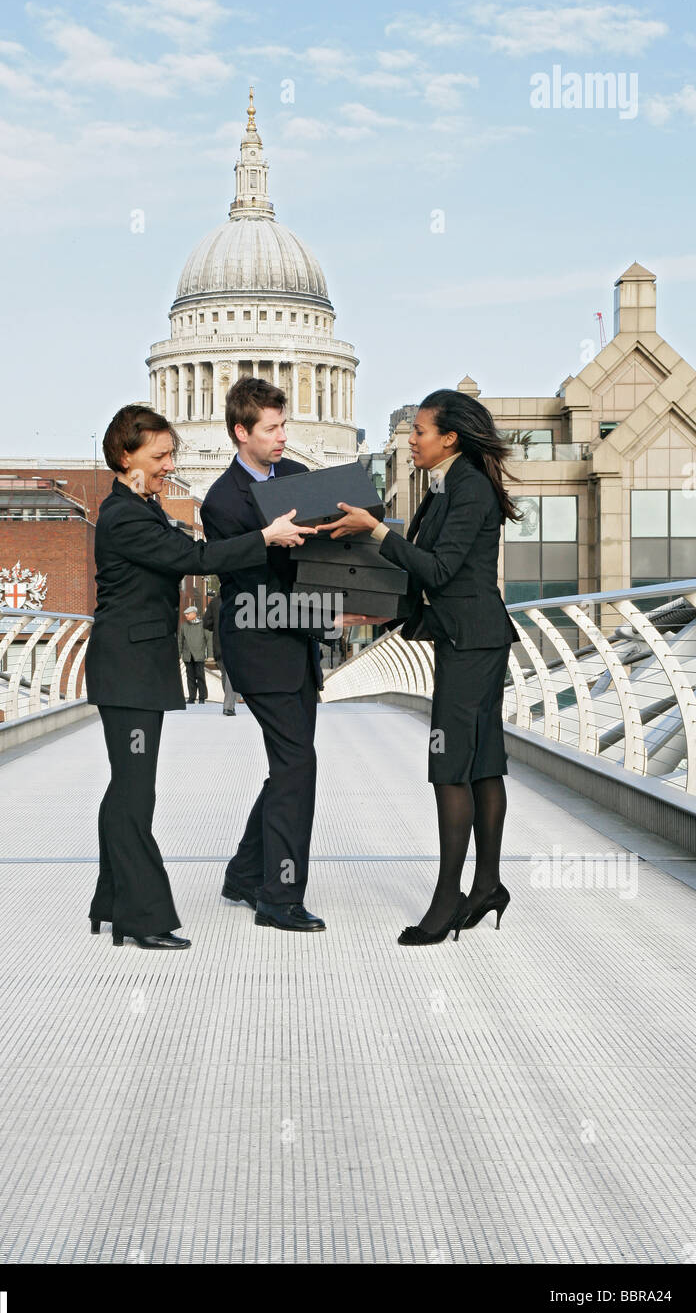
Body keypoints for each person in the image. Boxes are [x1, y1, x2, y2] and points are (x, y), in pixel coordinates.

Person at [84, 403, 311, 951]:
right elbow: (194, 557)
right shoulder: (124, 515)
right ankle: (142, 916)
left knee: (126, 791)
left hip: (133, 666)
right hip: (128, 669)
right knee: (135, 796)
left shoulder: (140, 505)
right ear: (125, 454)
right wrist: (265, 537)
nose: (169, 465)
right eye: (159, 456)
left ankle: (111, 903)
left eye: (170, 455)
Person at [317, 388, 520, 946]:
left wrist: (377, 530)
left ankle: (451, 895)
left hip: (475, 641)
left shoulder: (469, 488)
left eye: (420, 432)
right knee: (480, 762)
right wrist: (373, 614)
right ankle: (486, 885)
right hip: (466, 637)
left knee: (451, 764)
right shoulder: (446, 487)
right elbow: (422, 583)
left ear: (449, 437)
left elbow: (440, 568)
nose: (412, 442)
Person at [201, 377, 330, 932]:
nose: (283, 437)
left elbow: (326, 550)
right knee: (298, 764)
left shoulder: (300, 478)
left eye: (284, 426)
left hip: (300, 642)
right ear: (241, 432)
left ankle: (243, 873)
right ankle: (278, 897)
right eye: (272, 428)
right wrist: (273, 539)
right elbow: (245, 582)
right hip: (258, 644)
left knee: (289, 767)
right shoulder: (222, 501)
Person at [203, 591, 236, 715]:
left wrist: (216, 627)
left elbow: (206, 623)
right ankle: (228, 706)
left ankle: (229, 703)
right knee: (231, 675)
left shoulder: (214, 602)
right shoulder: (237, 598)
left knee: (224, 674)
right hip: (234, 642)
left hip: (218, 643)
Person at [179, 604, 208, 704]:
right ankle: (192, 697)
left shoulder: (202, 625)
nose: (186, 615)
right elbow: (180, 641)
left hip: (199, 655)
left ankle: (202, 697)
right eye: (185, 614)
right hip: (187, 656)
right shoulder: (184, 626)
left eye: (188, 613)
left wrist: (211, 655)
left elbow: (209, 639)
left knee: (200, 676)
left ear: (194, 614)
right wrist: (178, 654)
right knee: (190, 677)